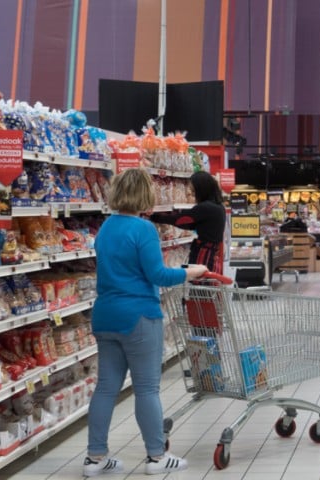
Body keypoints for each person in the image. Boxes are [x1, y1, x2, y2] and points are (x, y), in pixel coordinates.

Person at [85, 169, 208, 477]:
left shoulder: (105, 228)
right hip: (138, 315)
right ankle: (156, 456)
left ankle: (95, 457)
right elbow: (158, 275)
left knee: (105, 388)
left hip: (105, 315)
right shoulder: (143, 229)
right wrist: (191, 272)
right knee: (147, 389)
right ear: (145, 194)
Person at [150, 171, 226, 274]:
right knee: (208, 281)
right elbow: (190, 224)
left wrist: (156, 217)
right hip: (213, 253)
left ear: (201, 189)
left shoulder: (205, 207)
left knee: (200, 281)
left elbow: (181, 220)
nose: (191, 193)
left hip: (204, 254)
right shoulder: (219, 207)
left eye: (194, 190)